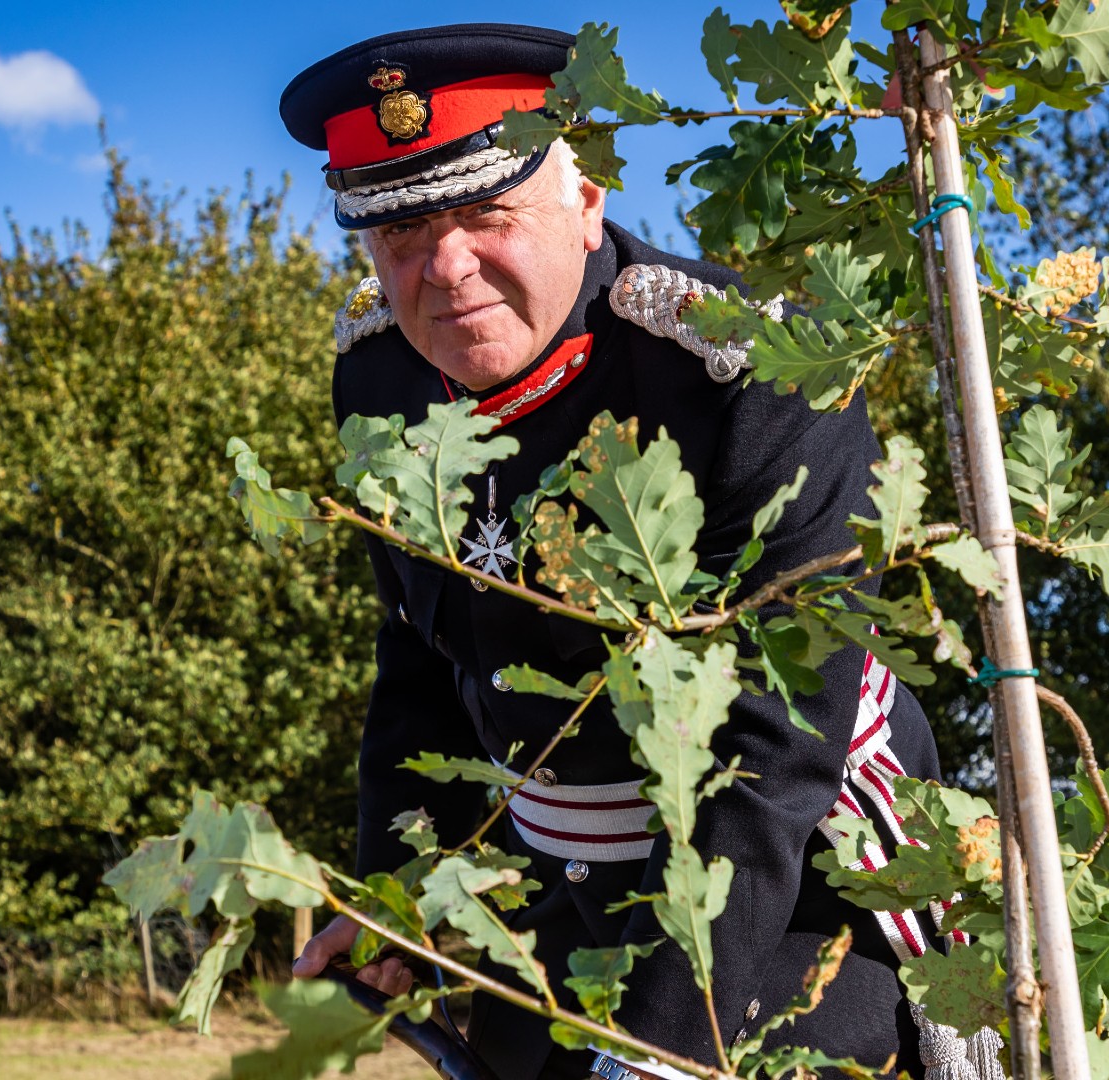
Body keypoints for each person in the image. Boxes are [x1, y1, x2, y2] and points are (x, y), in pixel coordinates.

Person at [279, 24, 954, 1080]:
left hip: (793, 873)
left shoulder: (751, 368)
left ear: (585, 204)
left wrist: (659, 1045)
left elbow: (779, 745)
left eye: (486, 213)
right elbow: (420, 657)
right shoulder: (380, 381)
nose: (445, 268)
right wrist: (396, 895)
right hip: (558, 875)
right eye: (402, 233)